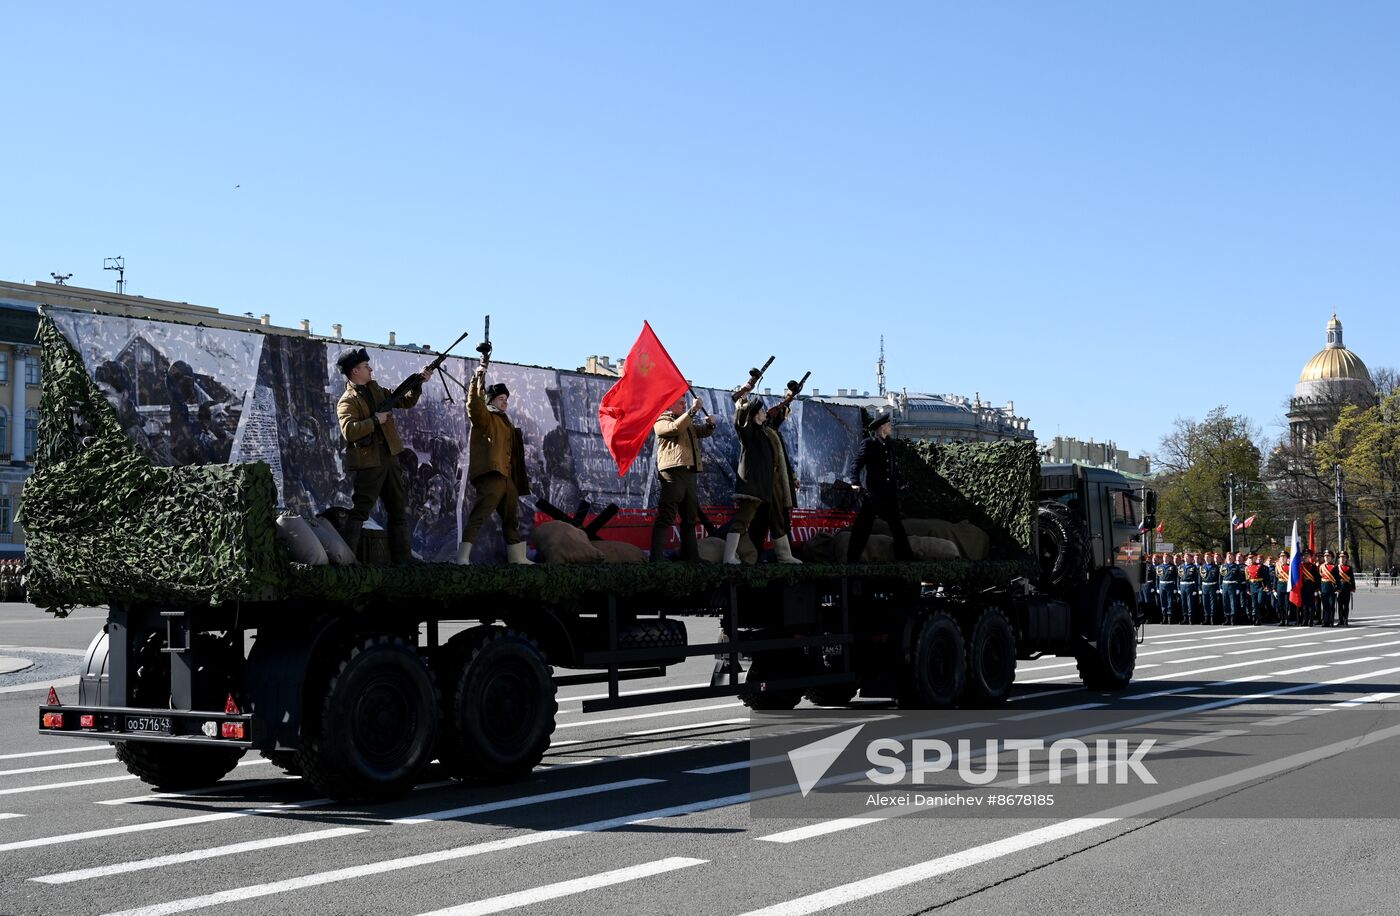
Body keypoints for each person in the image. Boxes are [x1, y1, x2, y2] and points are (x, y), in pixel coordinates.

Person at [335, 347, 433, 564]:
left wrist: (418, 384)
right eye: (365, 366)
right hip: (369, 462)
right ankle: (346, 561)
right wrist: (374, 421)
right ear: (354, 372)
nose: (370, 369)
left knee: (397, 510)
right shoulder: (347, 401)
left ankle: (402, 560)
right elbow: (349, 430)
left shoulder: (376, 389)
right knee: (360, 510)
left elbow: (405, 400)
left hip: (389, 458)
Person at [460, 365, 533, 565]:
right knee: (479, 515)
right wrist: (478, 377)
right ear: (491, 400)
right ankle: (463, 557)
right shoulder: (485, 416)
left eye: (506, 399)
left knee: (512, 519)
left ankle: (517, 558)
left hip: (507, 478)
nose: (505, 402)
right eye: (501, 398)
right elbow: (474, 404)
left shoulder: (505, 422)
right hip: (492, 474)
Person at [727, 394, 803, 565]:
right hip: (754, 485)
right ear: (754, 415)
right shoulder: (749, 433)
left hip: (771, 484)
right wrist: (744, 404)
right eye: (761, 411)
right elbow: (741, 423)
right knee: (744, 519)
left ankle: (784, 555)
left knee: (777, 518)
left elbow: (779, 453)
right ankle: (730, 556)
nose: (765, 413)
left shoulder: (766, 432)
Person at [650, 395, 715, 562]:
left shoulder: (686, 422)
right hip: (673, 472)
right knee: (666, 515)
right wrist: (692, 411)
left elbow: (700, 432)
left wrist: (710, 425)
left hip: (689, 473)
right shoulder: (661, 421)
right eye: (680, 403)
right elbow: (674, 429)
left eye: (685, 403)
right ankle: (656, 558)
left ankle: (691, 557)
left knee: (689, 518)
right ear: (669, 405)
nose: (684, 405)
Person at [844, 411, 914, 564]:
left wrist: (901, 482)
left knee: (897, 526)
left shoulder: (890, 444)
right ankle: (852, 559)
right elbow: (856, 464)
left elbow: (893, 467)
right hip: (874, 494)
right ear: (882, 427)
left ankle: (907, 559)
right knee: (863, 526)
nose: (891, 427)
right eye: (888, 425)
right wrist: (854, 482)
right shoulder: (869, 444)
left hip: (889, 494)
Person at [1156, 553, 1180, 623]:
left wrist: (1176, 588)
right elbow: (1157, 578)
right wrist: (1157, 587)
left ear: (1169, 558)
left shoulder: (1173, 567)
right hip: (1162, 585)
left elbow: (1176, 578)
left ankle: (1170, 617)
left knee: (1170, 601)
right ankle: (1164, 616)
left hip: (1170, 585)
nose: (1165, 558)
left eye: (1167, 557)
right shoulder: (1159, 566)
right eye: (1164, 557)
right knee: (1163, 602)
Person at [1318, 550, 1339, 627]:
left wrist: (1338, 589)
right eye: (1325, 556)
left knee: (1331, 606)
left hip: (1332, 588)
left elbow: (1337, 578)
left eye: (1328, 556)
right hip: (1323, 588)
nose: (1326, 558)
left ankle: (1331, 621)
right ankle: (1325, 621)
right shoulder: (1321, 567)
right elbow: (1319, 579)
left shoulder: (1334, 567)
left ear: (1331, 558)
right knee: (1325, 606)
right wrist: (1319, 589)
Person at [1179, 552, 1200, 625]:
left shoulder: (1193, 567)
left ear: (1191, 559)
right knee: (1184, 603)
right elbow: (1178, 578)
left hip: (1190, 585)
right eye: (1185, 557)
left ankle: (1191, 618)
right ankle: (1185, 618)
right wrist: (1178, 588)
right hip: (1182, 585)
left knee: (1190, 603)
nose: (1186, 558)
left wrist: (1195, 589)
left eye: (1188, 557)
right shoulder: (1181, 567)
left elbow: (1196, 579)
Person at [1200, 552, 1220, 625]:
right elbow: (1200, 579)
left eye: (1208, 557)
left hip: (1213, 586)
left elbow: (1218, 578)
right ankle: (1206, 618)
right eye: (1206, 557)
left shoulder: (1215, 567)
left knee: (1212, 603)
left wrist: (1218, 588)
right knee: (1205, 603)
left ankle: (1212, 618)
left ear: (1211, 558)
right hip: (1205, 586)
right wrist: (1200, 588)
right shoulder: (1202, 567)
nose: (1207, 558)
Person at [1337, 552, 1356, 626]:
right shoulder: (1337, 567)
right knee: (1340, 606)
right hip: (1339, 589)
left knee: (1346, 606)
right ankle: (1340, 620)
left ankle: (1345, 620)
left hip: (1347, 588)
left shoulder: (1349, 568)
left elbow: (1352, 578)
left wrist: (1353, 587)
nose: (1342, 559)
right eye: (1341, 558)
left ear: (1346, 559)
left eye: (1344, 558)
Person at [1275, 550, 1293, 626]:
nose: (1282, 558)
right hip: (1279, 586)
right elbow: (1275, 578)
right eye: (1281, 557)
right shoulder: (1277, 567)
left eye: (1284, 557)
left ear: (1287, 558)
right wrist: (1274, 589)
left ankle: (1287, 620)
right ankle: (1281, 620)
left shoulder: (1290, 567)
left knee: (1287, 605)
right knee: (1280, 604)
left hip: (1287, 587)